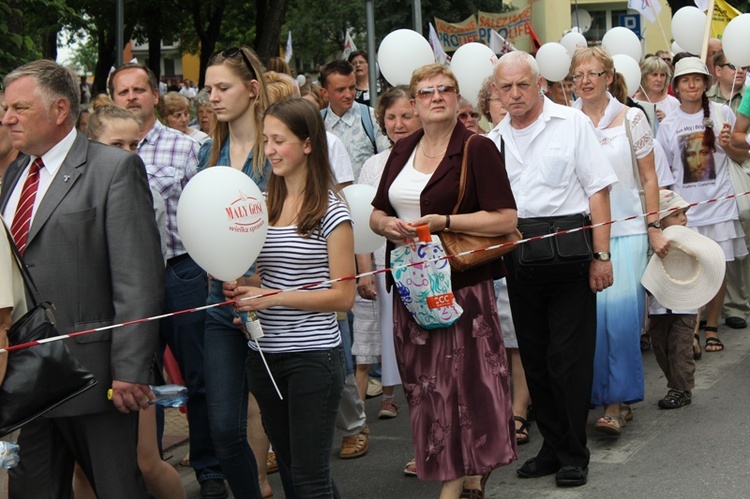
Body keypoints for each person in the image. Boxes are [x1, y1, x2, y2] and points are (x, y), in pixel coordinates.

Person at [0, 59, 163, 498]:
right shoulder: (15, 172)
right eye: (4, 108)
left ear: (58, 110)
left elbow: (138, 279)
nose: (6, 118)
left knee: (116, 489)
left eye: (18, 107)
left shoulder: (112, 169)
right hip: (26, 380)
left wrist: (130, 368)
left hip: (96, 377)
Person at [370, 63, 518, 498]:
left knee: (462, 387)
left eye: (445, 89)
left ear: (458, 98)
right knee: (428, 388)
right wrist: (385, 227)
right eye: (427, 91)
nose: (436, 97)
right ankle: (466, 471)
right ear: (414, 102)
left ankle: (454, 486)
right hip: (410, 288)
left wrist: (444, 221)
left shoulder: (477, 148)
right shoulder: (403, 150)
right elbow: (378, 209)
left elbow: (506, 219)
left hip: (460, 287)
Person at [488, 51, 618, 487]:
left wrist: (602, 256)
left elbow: (598, 192)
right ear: (495, 91)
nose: (515, 94)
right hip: (519, 262)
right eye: (505, 88)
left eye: (522, 85)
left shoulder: (572, 123)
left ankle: (573, 454)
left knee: (568, 360)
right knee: (537, 362)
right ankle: (551, 447)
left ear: (539, 82)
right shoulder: (492, 141)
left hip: (570, 258)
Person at [109, 62, 227, 499]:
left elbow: (205, 212)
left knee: (199, 374)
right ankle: (147, 464)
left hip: (181, 272)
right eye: (124, 92)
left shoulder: (186, 149)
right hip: (126, 284)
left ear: (155, 96)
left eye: (140, 90)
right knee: (137, 377)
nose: (133, 98)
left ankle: (210, 468)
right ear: (113, 99)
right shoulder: (101, 152)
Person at [227, 97, 355, 497]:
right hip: (264, 356)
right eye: (266, 140)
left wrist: (272, 297)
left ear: (307, 144)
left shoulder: (332, 210)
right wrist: (245, 291)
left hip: (313, 357)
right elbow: (263, 278)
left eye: (279, 140)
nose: (268, 150)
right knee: (297, 475)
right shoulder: (265, 204)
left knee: (310, 479)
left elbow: (343, 296)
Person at [75, 100, 183, 499]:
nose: (127, 154)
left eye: (134, 145)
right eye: (116, 145)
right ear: (91, 145)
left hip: (125, 342)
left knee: (145, 460)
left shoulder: (141, 193)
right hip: (83, 342)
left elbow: (139, 277)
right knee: (83, 473)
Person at [570, 47, 669, 436]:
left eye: (593, 73)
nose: (586, 81)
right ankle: (592, 396)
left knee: (620, 320)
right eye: (578, 75)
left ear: (609, 77)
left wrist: (654, 225)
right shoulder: (568, 120)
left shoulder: (632, 118)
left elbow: (648, 178)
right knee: (588, 322)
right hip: (579, 232)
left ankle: (618, 402)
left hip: (625, 231)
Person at [199, 46, 271, 499]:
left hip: (276, 306)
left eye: (222, 87)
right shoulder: (209, 153)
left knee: (286, 434)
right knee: (224, 430)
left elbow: (302, 226)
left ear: (252, 88)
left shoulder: (279, 151)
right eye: (208, 89)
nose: (213, 98)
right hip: (219, 304)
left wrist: (263, 277)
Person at [656, 57, 749, 353]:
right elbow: (664, 173)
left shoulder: (722, 112)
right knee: (690, 272)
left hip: (720, 207)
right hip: (688, 212)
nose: (691, 85)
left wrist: (727, 144)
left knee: (716, 269)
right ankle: (691, 330)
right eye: (685, 80)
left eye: (697, 79)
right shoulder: (668, 123)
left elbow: (740, 155)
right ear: (677, 87)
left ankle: (711, 328)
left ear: (706, 83)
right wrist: (669, 213)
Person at [353, 85, 419, 417]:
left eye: (406, 115)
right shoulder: (373, 166)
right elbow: (362, 221)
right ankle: (387, 396)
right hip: (382, 262)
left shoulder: (428, 158)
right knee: (383, 331)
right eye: (391, 117)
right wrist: (364, 268)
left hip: (422, 263)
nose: (399, 123)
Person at [647, 190, 699, 409]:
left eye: (684, 213)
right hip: (658, 307)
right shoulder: (649, 244)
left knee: (680, 348)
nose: (683, 219)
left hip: (684, 306)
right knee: (661, 347)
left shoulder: (691, 240)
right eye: (676, 214)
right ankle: (675, 385)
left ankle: (682, 388)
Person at [320, 59, 390, 179]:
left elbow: (387, 162)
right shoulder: (317, 123)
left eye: (352, 87)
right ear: (324, 92)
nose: (348, 95)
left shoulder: (372, 118)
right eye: (340, 90)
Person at [633, 56, 679, 123]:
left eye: (662, 75)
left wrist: (667, 121)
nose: (659, 79)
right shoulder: (633, 101)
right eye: (654, 75)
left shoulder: (673, 103)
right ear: (644, 76)